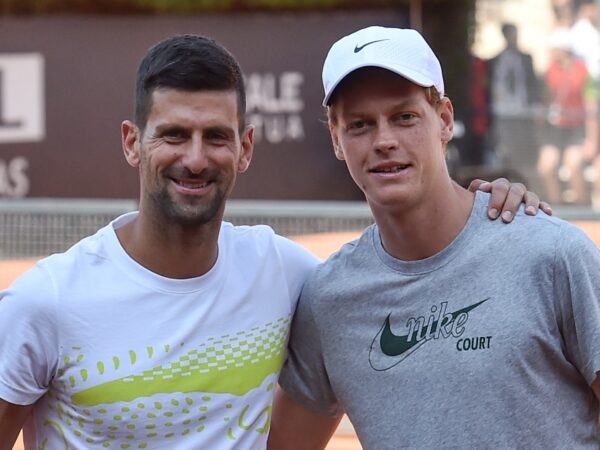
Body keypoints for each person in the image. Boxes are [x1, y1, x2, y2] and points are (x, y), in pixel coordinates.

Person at [0, 34, 547, 450]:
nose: (194, 158)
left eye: (215, 136)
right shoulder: (44, 302)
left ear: (245, 148)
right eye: (173, 134)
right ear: (131, 142)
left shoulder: (294, 278)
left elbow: (411, 278)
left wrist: (490, 214)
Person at [269, 26, 600, 449]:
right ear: (336, 137)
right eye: (360, 125)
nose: (384, 140)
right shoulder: (328, 299)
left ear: (444, 120)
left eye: (404, 117)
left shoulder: (552, 254)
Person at [537, 27, 598, 204]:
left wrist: (592, 141)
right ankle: (556, 208)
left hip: (576, 129)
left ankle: (582, 208)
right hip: (556, 129)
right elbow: (547, 99)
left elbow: (591, 107)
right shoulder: (551, 71)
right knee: (546, 166)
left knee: (573, 164)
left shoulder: (583, 72)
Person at [487, 23, 541, 174]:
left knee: (523, 147)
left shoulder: (525, 58)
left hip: (523, 111)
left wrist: (535, 107)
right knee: (505, 147)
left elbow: (532, 83)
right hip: (504, 112)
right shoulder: (497, 60)